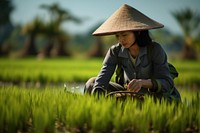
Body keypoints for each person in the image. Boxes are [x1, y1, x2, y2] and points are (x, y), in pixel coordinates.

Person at [84, 4, 181, 101]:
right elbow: (103, 77)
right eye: (117, 36)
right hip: (130, 94)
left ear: (138, 32)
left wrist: (142, 83)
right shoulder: (115, 51)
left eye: (125, 35)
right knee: (91, 83)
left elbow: (167, 83)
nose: (121, 39)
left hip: (155, 97)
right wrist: (97, 92)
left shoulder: (155, 49)